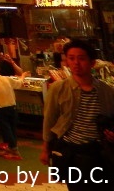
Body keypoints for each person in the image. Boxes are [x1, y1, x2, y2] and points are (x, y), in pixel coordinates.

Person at [41, 38, 114, 191]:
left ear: (92, 62)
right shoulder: (58, 89)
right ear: (66, 61)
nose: (76, 63)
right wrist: (45, 149)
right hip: (71, 153)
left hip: (99, 153)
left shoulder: (106, 91)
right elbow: (49, 120)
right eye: (71, 58)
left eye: (81, 58)